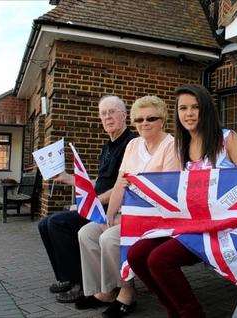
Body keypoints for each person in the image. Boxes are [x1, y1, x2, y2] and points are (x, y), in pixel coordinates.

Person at [126, 84, 237, 318]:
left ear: (206, 109)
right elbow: (173, 191)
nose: (188, 113)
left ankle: (192, 313)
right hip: (191, 223)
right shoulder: (181, 146)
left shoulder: (226, 139)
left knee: (160, 259)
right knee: (136, 254)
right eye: (183, 108)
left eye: (195, 107)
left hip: (222, 227)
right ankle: (173, 310)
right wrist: (138, 187)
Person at [76, 95, 180, 318]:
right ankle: (104, 291)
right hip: (127, 213)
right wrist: (110, 215)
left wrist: (123, 219)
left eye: (151, 118)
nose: (144, 123)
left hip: (155, 217)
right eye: (139, 120)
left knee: (110, 238)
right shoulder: (133, 145)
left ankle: (127, 291)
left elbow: (167, 194)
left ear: (162, 119)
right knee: (88, 232)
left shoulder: (172, 146)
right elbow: (120, 184)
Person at [38, 95, 135, 303]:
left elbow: (125, 185)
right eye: (103, 113)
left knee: (58, 223)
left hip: (112, 210)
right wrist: (67, 178)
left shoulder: (131, 144)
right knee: (44, 223)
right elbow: (99, 181)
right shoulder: (107, 147)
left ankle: (80, 285)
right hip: (98, 206)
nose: (107, 117)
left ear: (124, 115)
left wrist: (94, 202)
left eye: (112, 112)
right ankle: (65, 277)